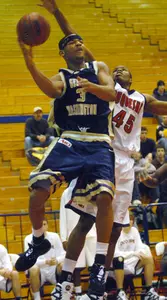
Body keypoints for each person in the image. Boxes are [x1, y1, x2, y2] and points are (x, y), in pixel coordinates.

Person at [37, 2, 167, 299]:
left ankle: (104, 282)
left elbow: (162, 105)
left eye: (125, 69)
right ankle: (67, 280)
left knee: (118, 228)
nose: (118, 69)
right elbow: (75, 38)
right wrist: (56, 13)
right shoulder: (105, 85)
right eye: (115, 68)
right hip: (103, 153)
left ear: (132, 78)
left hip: (127, 166)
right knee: (86, 220)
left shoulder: (141, 99)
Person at [16, 5, 116, 300]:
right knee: (37, 192)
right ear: (63, 53)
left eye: (80, 40)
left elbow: (111, 93)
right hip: (71, 141)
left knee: (104, 197)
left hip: (99, 142)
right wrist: (28, 58)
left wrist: (56, 9)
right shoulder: (63, 76)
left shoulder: (99, 69)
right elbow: (49, 89)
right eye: (72, 42)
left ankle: (99, 264)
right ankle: (38, 241)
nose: (78, 43)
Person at [108, 214, 166, 300]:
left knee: (148, 258)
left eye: (131, 220)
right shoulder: (116, 232)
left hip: (131, 262)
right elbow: (114, 253)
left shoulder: (134, 231)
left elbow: (140, 247)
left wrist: (138, 253)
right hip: (117, 265)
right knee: (119, 259)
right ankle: (120, 292)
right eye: (127, 220)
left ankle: (149, 291)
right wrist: (132, 254)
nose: (129, 222)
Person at [60, 179, 97, 300]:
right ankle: (78, 292)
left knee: (94, 264)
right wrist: (63, 237)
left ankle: (95, 290)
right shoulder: (66, 193)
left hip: (91, 232)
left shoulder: (90, 189)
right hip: (74, 232)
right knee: (76, 266)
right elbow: (63, 214)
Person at [24, 219, 65, 300]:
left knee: (63, 265)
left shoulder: (55, 236)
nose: (42, 227)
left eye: (44, 224)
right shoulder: (28, 239)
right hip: (39, 270)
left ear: (47, 225)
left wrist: (56, 260)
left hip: (53, 269)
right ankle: (37, 298)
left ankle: (59, 292)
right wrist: (45, 262)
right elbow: (29, 261)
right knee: (33, 268)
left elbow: (63, 254)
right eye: (39, 225)